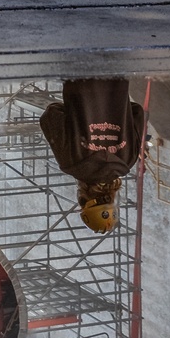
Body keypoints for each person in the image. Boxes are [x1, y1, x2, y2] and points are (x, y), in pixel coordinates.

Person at [39, 77, 147, 233]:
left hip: (117, 73)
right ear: (83, 201)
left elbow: (137, 111)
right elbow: (51, 115)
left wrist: (115, 110)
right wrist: (77, 112)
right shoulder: (71, 162)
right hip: (79, 74)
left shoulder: (128, 160)